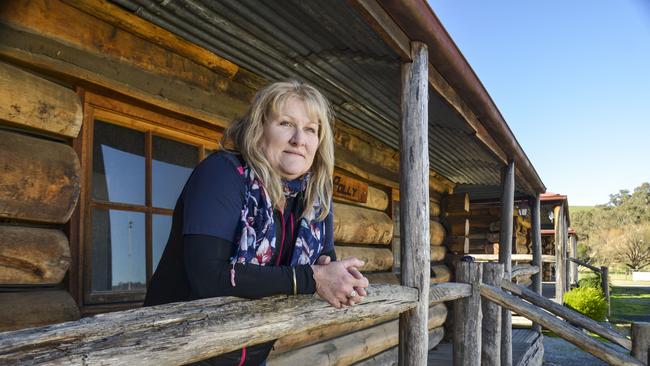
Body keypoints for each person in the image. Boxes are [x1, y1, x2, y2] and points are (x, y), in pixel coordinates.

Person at [144, 80, 369, 365]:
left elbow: (325, 262)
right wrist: (312, 278)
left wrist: (345, 280)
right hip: (180, 352)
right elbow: (208, 276)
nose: (299, 139)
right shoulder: (223, 174)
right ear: (259, 129)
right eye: (286, 123)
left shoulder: (314, 198)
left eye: (311, 129)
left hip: (252, 352)